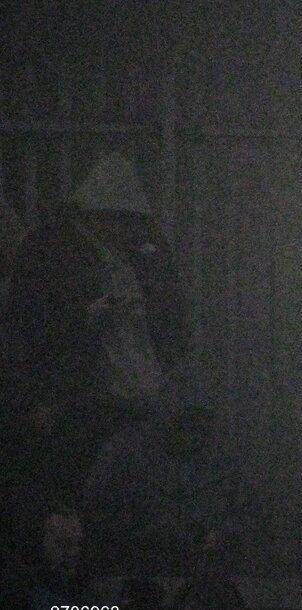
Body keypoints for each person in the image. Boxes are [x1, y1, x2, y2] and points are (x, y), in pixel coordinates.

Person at [3, 152, 187, 541]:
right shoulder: (54, 252)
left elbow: (172, 321)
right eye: (115, 219)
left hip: (132, 403)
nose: (122, 229)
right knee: (76, 494)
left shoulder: (138, 256)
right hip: (81, 404)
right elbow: (31, 327)